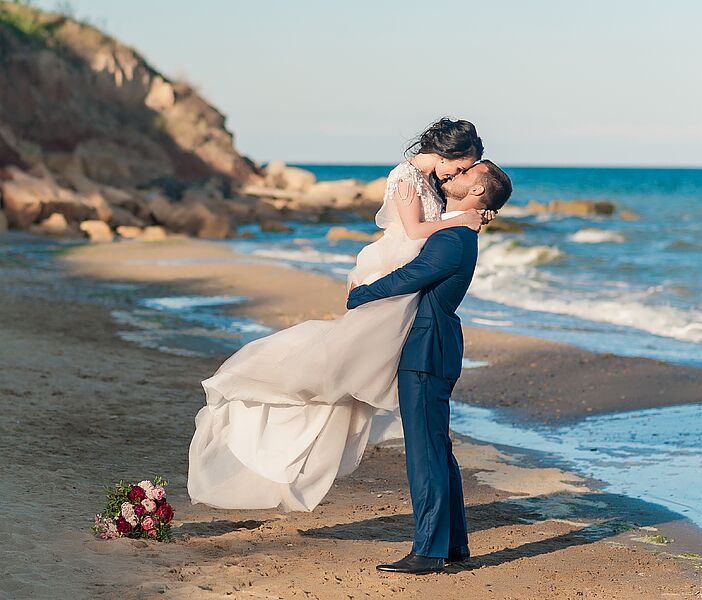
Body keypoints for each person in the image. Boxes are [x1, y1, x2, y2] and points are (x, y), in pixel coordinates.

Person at [187, 119, 493, 514]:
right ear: (448, 152)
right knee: (341, 365)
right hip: (396, 264)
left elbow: (443, 224)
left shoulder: (433, 181)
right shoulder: (404, 176)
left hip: (413, 278)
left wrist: (470, 214)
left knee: (362, 372)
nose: (459, 174)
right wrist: (459, 219)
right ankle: (269, 396)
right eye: (462, 165)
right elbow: (417, 230)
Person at [348, 160, 513, 574]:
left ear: (477, 192)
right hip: (436, 346)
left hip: (427, 349)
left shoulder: (454, 237)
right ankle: (453, 543)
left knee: (424, 453)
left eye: (465, 174)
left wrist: (361, 294)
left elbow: (413, 275)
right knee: (437, 448)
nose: (454, 177)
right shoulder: (459, 226)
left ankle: (428, 550)